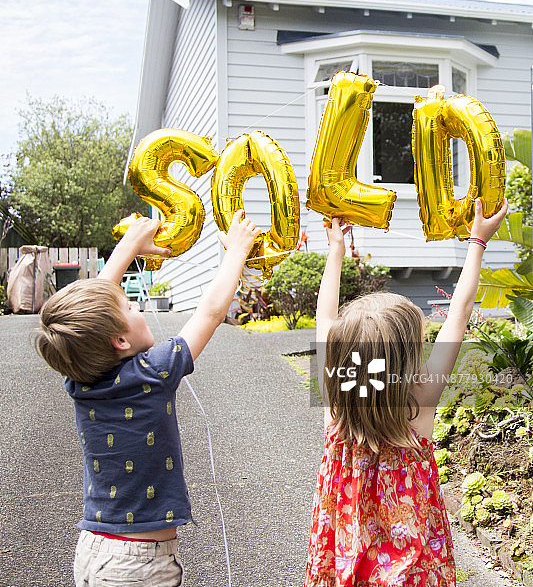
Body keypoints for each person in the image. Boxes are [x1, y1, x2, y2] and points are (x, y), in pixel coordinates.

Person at [35, 210, 260, 587]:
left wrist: (130, 245)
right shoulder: (152, 373)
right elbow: (211, 312)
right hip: (138, 567)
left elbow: (89, 312)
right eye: (130, 307)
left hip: (93, 551)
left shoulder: (79, 377)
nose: (137, 307)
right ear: (119, 341)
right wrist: (236, 251)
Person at [306, 197, 508, 587]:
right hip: (412, 568)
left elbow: (325, 319)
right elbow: (459, 313)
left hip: (349, 564)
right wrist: (477, 241)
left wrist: (334, 249)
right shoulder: (419, 402)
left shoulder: (337, 406)